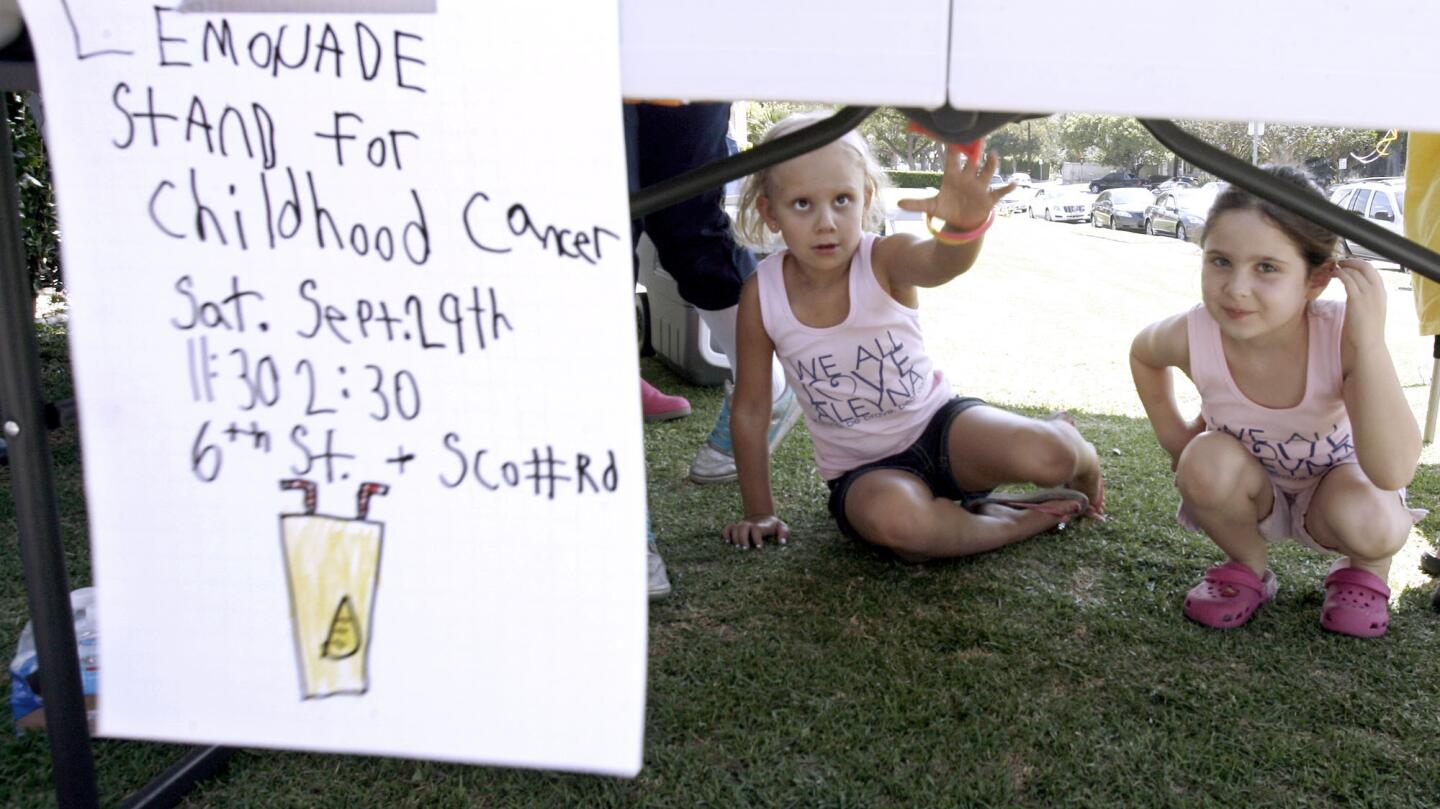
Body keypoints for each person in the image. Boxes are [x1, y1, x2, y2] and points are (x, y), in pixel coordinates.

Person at [721, 112, 1104, 560]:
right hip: (864, 474)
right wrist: (759, 511)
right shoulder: (761, 294)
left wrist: (962, 229)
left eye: (842, 200)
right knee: (902, 527)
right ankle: (1023, 518)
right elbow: (750, 409)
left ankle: (1073, 451)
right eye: (803, 204)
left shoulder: (885, 258)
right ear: (770, 212)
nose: (826, 222)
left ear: (865, 198)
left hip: (945, 430)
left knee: (1053, 456)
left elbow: (943, 263)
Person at [1130, 166, 1424, 637]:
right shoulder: (1195, 331)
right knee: (1201, 460)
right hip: (1254, 486)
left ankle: (1366, 573)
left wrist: (1369, 342)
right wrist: (1177, 439)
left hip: (1339, 488)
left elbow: (1392, 471)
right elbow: (1144, 354)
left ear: (1316, 280)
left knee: (1376, 519)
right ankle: (1248, 567)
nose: (1236, 287)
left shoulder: (1342, 333)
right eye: (1220, 261)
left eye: (1266, 267)